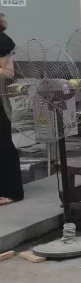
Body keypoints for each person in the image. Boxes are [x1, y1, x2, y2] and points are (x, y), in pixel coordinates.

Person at [0, 13, 24, 204]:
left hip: (0, 99)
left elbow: (8, 72)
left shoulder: (3, 41)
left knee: (2, 143)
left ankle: (10, 191)